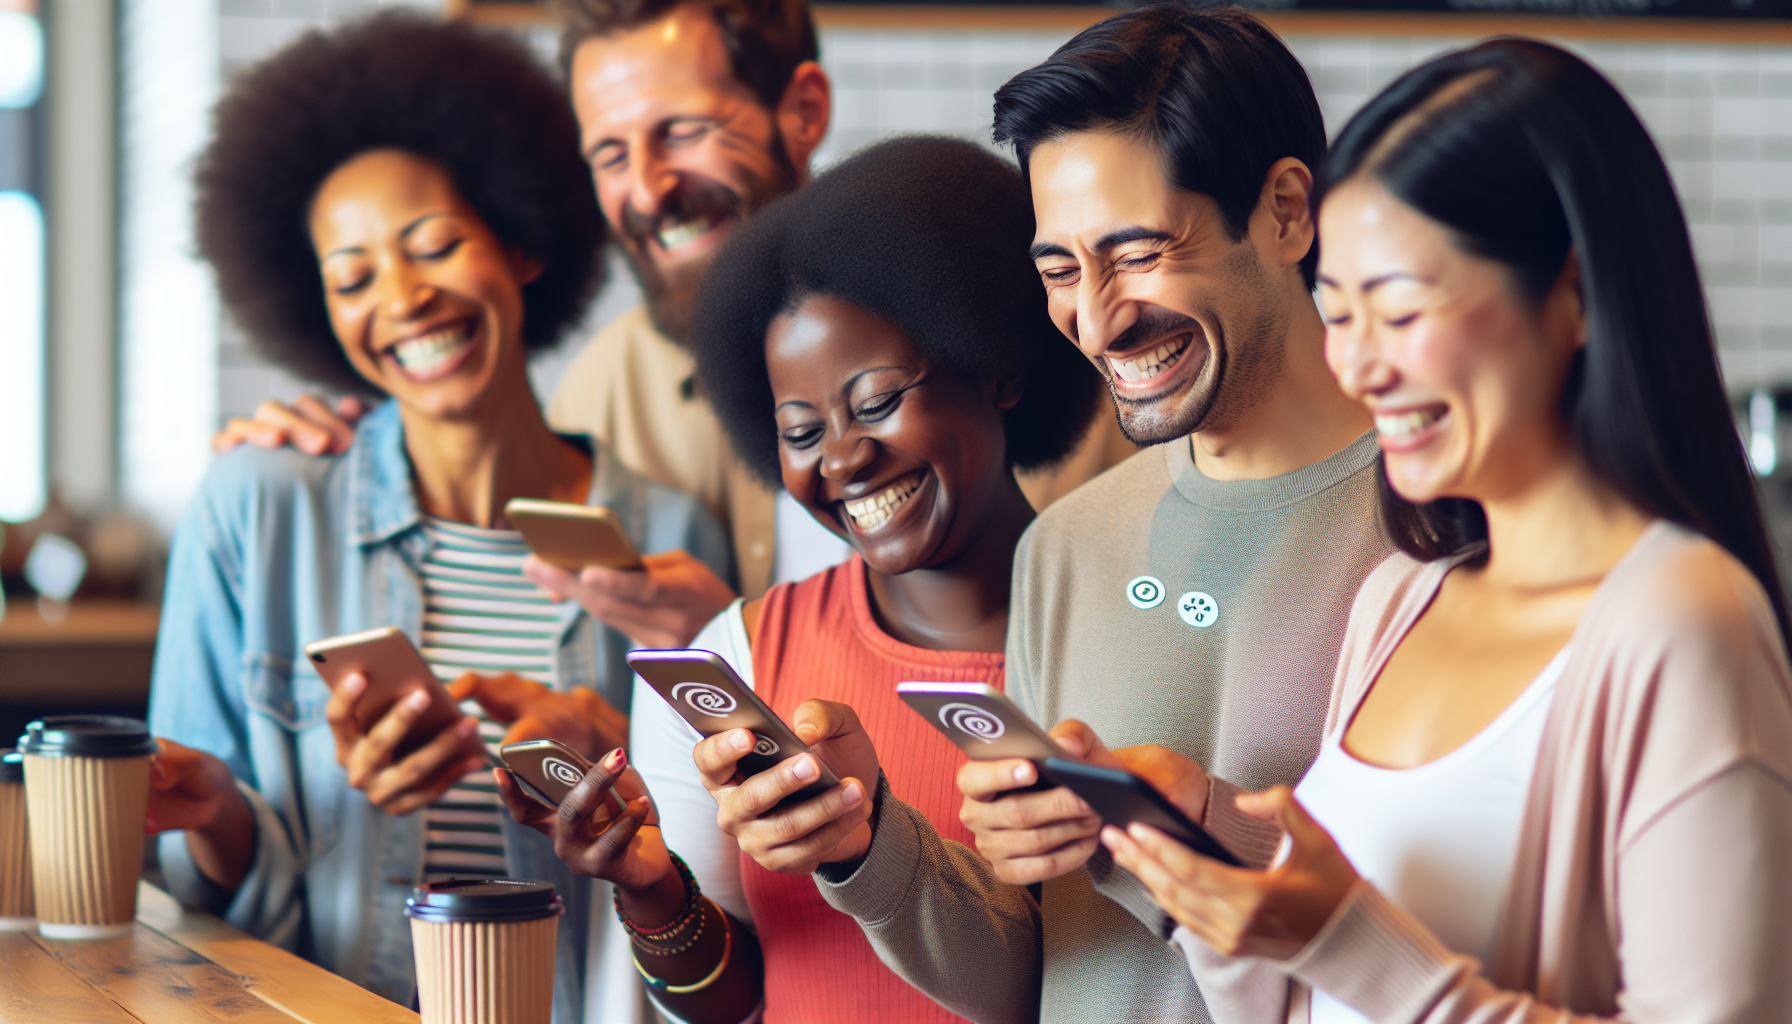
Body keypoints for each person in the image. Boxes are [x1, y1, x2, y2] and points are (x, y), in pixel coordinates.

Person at [1100, 38, 1792, 1023]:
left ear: (1574, 293)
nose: (1356, 365)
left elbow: (1368, 953)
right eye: (1336, 312)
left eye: (1399, 309)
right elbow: (1326, 982)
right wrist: (1213, 841)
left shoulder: (1682, 621)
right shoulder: (1400, 595)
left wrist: (1343, 939)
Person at [208, 0, 1138, 648]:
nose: (647, 189)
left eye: (682, 132)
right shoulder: (601, 396)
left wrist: (732, 637)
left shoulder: (1046, 356)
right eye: (609, 152)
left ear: (803, 111)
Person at [804, 7, 1395, 1024]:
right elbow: (1043, 970)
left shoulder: (1438, 525)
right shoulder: (1068, 546)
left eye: (1136, 252)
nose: (1097, 316)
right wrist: (866, 844)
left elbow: (1462, 936)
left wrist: (1177, 831)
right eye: (1059, 271)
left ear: (1289, 211)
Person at [143, 16, 727, 1022]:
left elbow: (716, 885)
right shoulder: (255, 506)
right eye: (353, 277)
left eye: (434, 245)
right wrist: (221, 815)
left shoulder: (673, 537)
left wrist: (613, 762)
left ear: (520, 240)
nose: (405, 299)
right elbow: (180, 896)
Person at [494, 136, 1103, 1024]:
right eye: (801, 430)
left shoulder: (1125, 620)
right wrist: (652, 888)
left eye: (878, 401)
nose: (846, 460)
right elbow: (734, 1004)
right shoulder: (735, 660)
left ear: (999, 362)